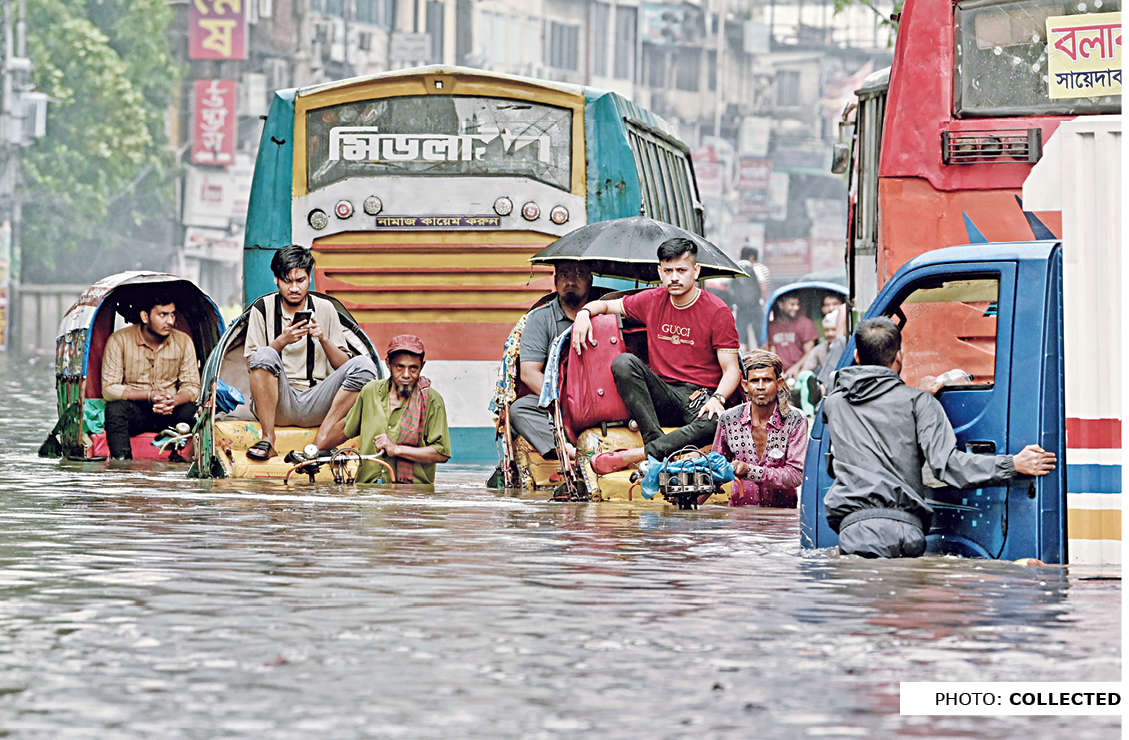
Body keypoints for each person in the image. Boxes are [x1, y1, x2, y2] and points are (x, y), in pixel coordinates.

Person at [822, 317, 1057, 558]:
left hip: (853, 531)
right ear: (899, 356)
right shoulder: (918, 403)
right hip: (904, 533)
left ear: (857, 357)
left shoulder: (834, 404)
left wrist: (915, 396)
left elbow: (870, 404)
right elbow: (949, 466)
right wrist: (1013, 464)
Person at [571, 237, 742, 474]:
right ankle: (656, 442)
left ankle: (644, 454)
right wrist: (584, 313)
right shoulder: (652, 300)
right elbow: (608, 305)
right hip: (662, 394)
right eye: (668, 271)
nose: (674, 277)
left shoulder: (717, 310)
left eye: (681, 270)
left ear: (696, 271)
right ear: (660, 272)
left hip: (699, 398)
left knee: (720, 422)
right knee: (624, 363)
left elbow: (732, 369)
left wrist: (718, 398)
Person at [244, 244, 377, 461]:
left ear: (310, 278)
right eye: (287, 281)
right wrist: (281, 341)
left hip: (318, 402)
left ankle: (320, 441)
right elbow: (253, 364)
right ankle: (268, 439)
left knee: (365, 366)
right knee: (264, 355)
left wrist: (323, 339)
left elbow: (343, 365)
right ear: (276, 279)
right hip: (278, 405)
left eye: (300, 280)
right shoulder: (262, 308)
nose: (294, 288)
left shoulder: (326, 308)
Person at [510, 260, 600, 461]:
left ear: (590, 280)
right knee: (520, 410)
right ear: (555, 280)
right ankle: (569, 451)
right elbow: (529, 373)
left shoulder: (604, 311)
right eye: (564, 275)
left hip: (602, 396)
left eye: (579, 274)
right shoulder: (541, 318)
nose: (571, 281)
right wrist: (565, 401)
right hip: (558, 400)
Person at [330, 335, 451, 484]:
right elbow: (345, 431)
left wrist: (396, 449)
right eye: (399, 367)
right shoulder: (370, 392)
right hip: (367, 490)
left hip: (411, 492)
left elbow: (441, 453)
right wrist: (315, 449)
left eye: (413, 368)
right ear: (388, 364)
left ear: (422, 366)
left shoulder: (432, 400)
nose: (406, 375)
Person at [101, 293, 200, 460]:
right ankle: (122, 464)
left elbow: (192, 387)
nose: (170, 321)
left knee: (196, 410)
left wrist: (174, 400)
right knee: (115, 410)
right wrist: (148, 395)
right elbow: (109, 389)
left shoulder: (183, 341)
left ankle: (181, 459)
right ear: (145, 317)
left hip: (170, 411)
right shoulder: (119, 340)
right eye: (163, 315)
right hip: (136, 411)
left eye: (172, 314)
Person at [712, 350, 808, 507]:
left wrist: (749, 471)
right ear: (745, 385)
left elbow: (795, 475)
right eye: (755, 381)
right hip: (740, 515)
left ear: (779, 383)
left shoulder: (795, 420)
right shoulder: (729, 419)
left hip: (781, 515)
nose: (761, 386)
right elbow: (716, 467)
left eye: (767, 380)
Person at [767, 294, 817, 379]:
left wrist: (796, 368)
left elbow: (810, 353)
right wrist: (778, 371)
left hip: (801, 373)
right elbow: (772, 353)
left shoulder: (805, 324)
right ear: (781, 305)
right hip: (780, 374)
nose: (796, 308)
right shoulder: (772, 326)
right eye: (792, 304)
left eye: (797, 304)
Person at [731, 245, 769, 348]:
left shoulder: (735, 267)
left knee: (742, 339)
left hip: (741, 307)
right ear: (752, 257)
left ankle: (744, 356)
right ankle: (762, 356)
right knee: (761, 337)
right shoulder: (757, 268)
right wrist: (764, 302)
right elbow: (763, 287)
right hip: (756, 306)